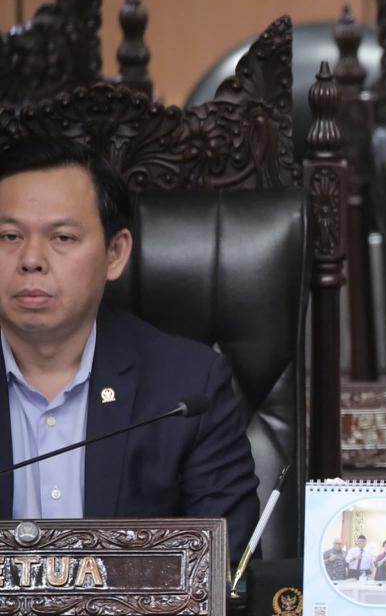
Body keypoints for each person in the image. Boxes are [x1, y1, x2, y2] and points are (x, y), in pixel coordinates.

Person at [0, 137, 260, 552]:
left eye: (62, 238)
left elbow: (227, 567)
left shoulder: (189, 389)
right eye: (9, 236)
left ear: (115, 254)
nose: (31, 259)